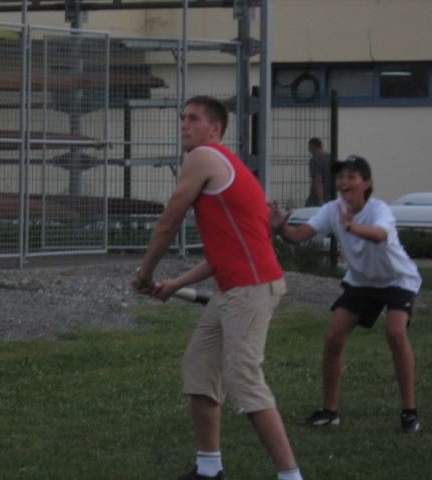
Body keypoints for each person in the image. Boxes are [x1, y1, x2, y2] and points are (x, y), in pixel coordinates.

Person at [132, 96, 304, 480]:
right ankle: (209, 469)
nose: (184, 124)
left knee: (244, 380)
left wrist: (146, 273)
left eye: (193, 118)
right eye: (182, 118)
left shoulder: (203, 157)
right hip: (234, 288)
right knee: (199, 366)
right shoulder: (231, 169)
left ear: (215, 129)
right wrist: (175, 282)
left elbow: (170, 219)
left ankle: (291, 476)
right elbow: (224, 254)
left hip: (250, 289)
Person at [270, 155, 422, 433]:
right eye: (340, 177)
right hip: (361, 281)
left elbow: (380, 235)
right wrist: (281, 227)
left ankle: (409, 413)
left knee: (395, 332)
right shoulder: (332, 209)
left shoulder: (379, 210)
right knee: (333, 337)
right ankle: (329, 412)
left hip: (397, 279)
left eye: (351, 177)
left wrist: (353, 227)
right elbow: (297, 236)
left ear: (367, 183)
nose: (344, 182)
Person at [305, 137, 331, 207]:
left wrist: (320, 200)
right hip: (330, 195)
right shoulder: (331, 158)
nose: (309, 150)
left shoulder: (315, 160)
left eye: (309, 147)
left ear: (312, 147)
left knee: (307, 211)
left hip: (317, 198)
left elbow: (318, 181)